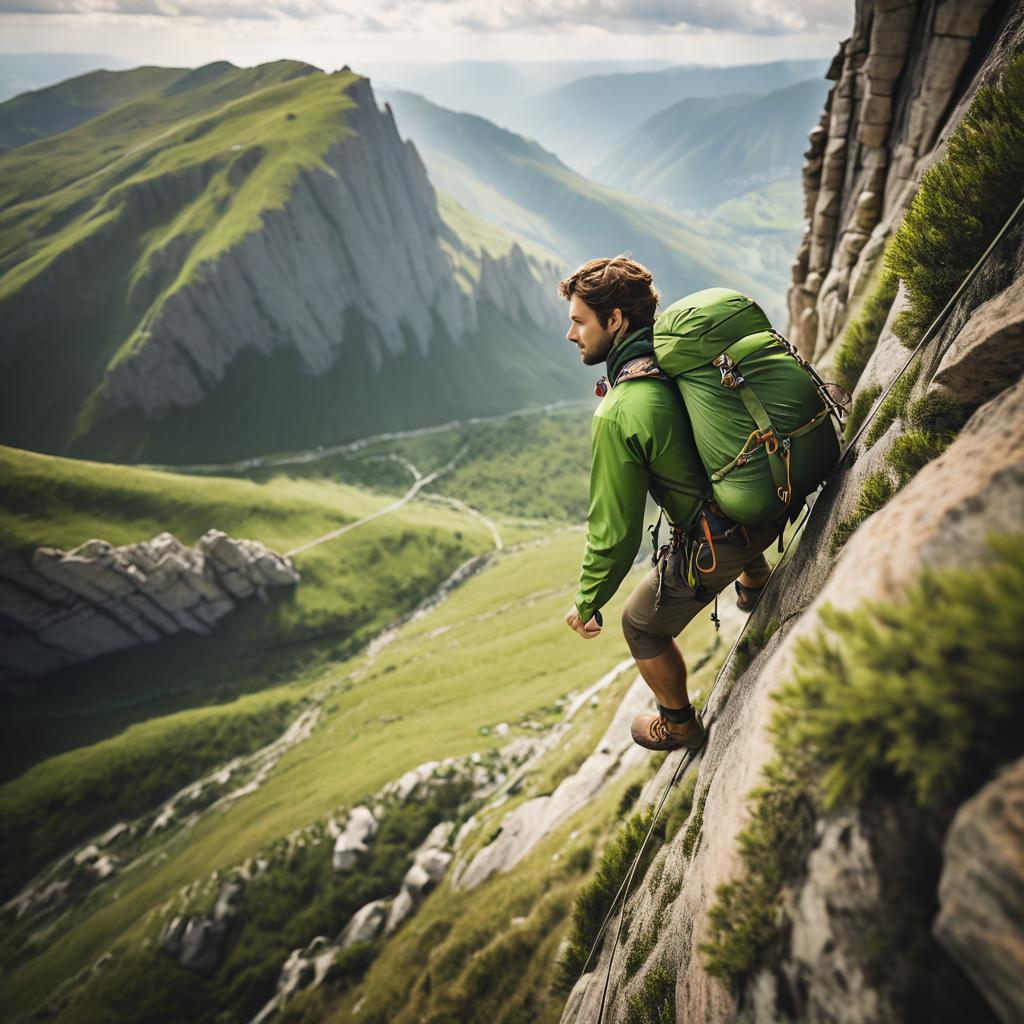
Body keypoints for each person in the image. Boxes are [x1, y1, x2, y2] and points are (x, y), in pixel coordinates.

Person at [561, 256, 780, 753]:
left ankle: (679, 725)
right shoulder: (678, 358)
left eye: (579, 321)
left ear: (614, 320)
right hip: (776, 492)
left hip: (731, 533)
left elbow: (615, 537)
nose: (570, 334)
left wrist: (588, 600)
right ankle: (754, 578)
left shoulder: (619, 411)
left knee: (639, 625)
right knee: (709, 484)